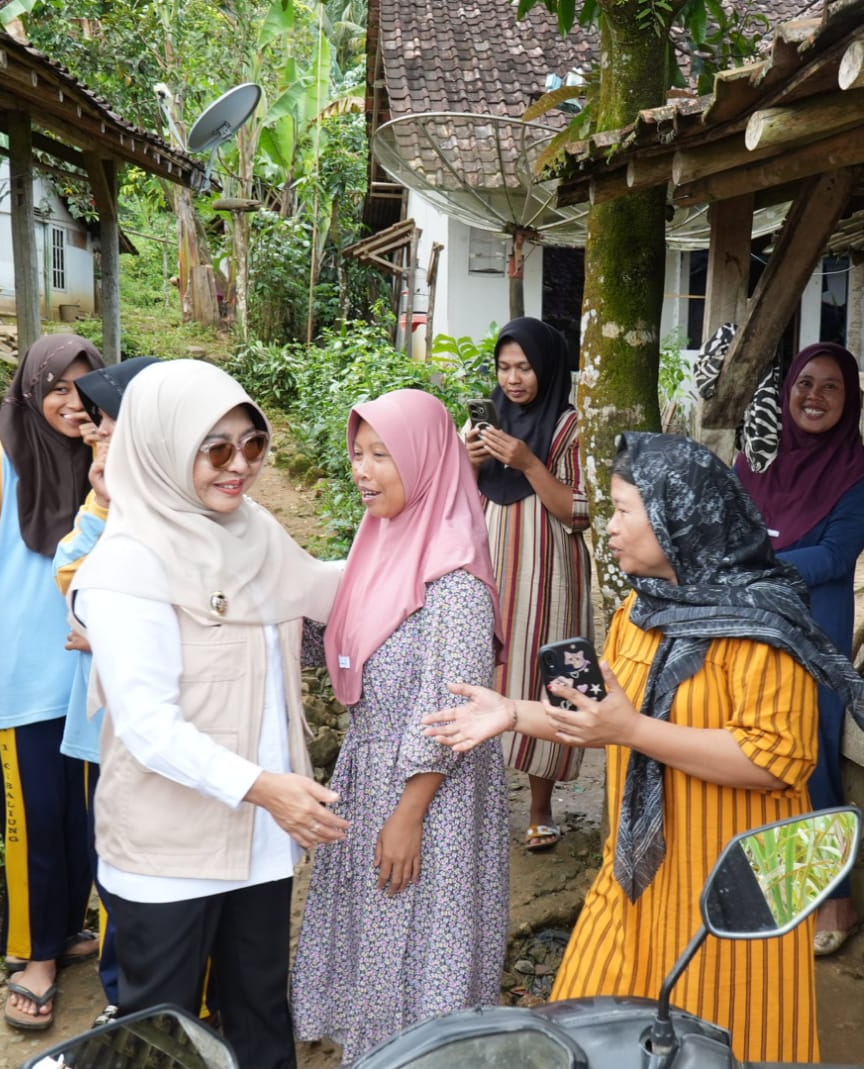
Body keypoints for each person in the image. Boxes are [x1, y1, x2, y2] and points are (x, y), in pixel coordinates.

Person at [427, 432, 864, 1063]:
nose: (609, 527)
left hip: (731, 889)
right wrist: (513, 713)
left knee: (723, 1042)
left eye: (623, 511)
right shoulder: (639, 612)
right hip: (637, 874)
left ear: (677, 518)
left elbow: (775, 761)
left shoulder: (761, 629)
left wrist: (633, 732)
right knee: (590, 1030)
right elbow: (601, 721)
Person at [70, 359, 346, 1069]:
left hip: (258, 841)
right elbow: (148, 727)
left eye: (253, 444)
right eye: (216, 449)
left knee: (260, 1014)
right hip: (171, 852)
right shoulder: (127, 566)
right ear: (162, 448)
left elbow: (325, 589)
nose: (241, 466)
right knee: (164, 1038)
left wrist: (422, 540)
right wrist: (266, 787)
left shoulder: (253, 531)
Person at [294, 388, 509, 1063]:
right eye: (358, 453)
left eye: (381, 455)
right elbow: (336, 640)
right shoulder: (379, 546)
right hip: (373, 771)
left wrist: (408, 815)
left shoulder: (455, 580)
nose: (362, 470)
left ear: (424, 460)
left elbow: (451, 713)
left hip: (430, 792)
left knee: (418, 937)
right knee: (382, 930)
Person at [0, 333, 105, 1031]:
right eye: (57, 388)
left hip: (95, 677)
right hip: (21, 679)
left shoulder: (109, 461)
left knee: (88, 819)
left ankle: (66, 928)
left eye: (84, 388)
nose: (72, 403)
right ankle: (35, 958)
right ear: (33, 391)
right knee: (32, 823)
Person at [734, 342, 864, 955]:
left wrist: (760, 566)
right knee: (744, 746)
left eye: (830, 387)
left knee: (811, 756)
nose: (814, 397)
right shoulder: (756, 458)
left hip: (812, 626)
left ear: (849, 400)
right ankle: (764, 884)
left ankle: (836, 899)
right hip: (745, 622)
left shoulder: (858, 472)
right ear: (787, 389)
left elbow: (836, 556)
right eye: (804, 383)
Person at [52, 354, 160, 1026]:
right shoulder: (107, 509)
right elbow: (73, 584)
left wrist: (111, 630)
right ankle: (125, 993)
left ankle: (175, 997)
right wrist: (100, 502)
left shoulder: (184, 512)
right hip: (105, 730)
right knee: (115, 862)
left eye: (111, 424)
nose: (97, 435)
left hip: (161, 729)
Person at [465, 317, 592, 852]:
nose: (513, 379)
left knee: (550, 675)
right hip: (489, 563)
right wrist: (469, 463)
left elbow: (579, 511)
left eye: (525, 367)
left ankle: (541, 808)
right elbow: (457, 500)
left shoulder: (569, 426)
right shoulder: (485, 422)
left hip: (550, 572)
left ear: (548, 368)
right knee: (484, 670)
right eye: (504, 367)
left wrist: (528, 463)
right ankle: (479, 805)